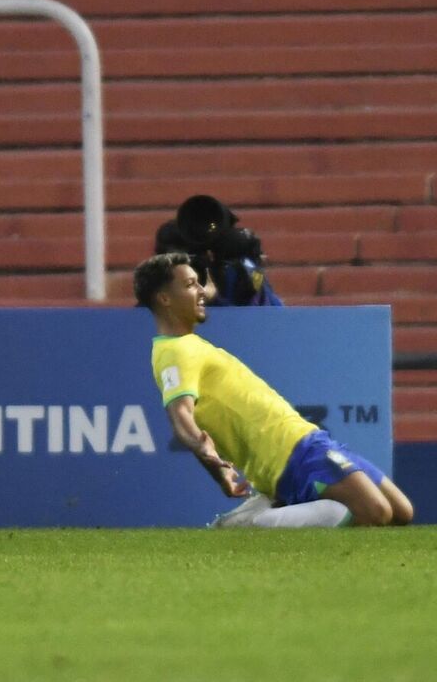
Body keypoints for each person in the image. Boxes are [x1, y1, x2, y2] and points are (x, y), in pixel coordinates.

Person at [133, 252, 414, 528]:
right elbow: (181, 415)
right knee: (375, 512)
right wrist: (199, 445)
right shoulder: (173, 352)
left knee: (401, 512)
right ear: (165, 298)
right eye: (190, 285)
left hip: (305, 438)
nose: (202, 291)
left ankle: (273, 504)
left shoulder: (188, 344)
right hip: (285, 453)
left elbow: (194, 420)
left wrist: (219, 474)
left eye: (198, 282)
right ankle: (255, 522)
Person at [154, 195, 282, 307]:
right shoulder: (162, 285)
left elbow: (268, 321)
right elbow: (144, 319)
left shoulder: (237, 271)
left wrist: (214, 299)